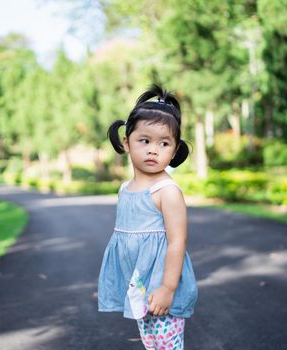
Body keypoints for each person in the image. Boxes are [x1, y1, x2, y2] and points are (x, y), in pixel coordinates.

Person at [98, 84, 198, 350]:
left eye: (164, 143)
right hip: (141, 287)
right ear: (126, 142)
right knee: (151, 342)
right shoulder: (125, 189)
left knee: (166, 344)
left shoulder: (167, 192)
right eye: (145, 140)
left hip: (161, 286)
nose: (154, 150)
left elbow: (177, 242)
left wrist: (167, 288)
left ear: (175, 151)